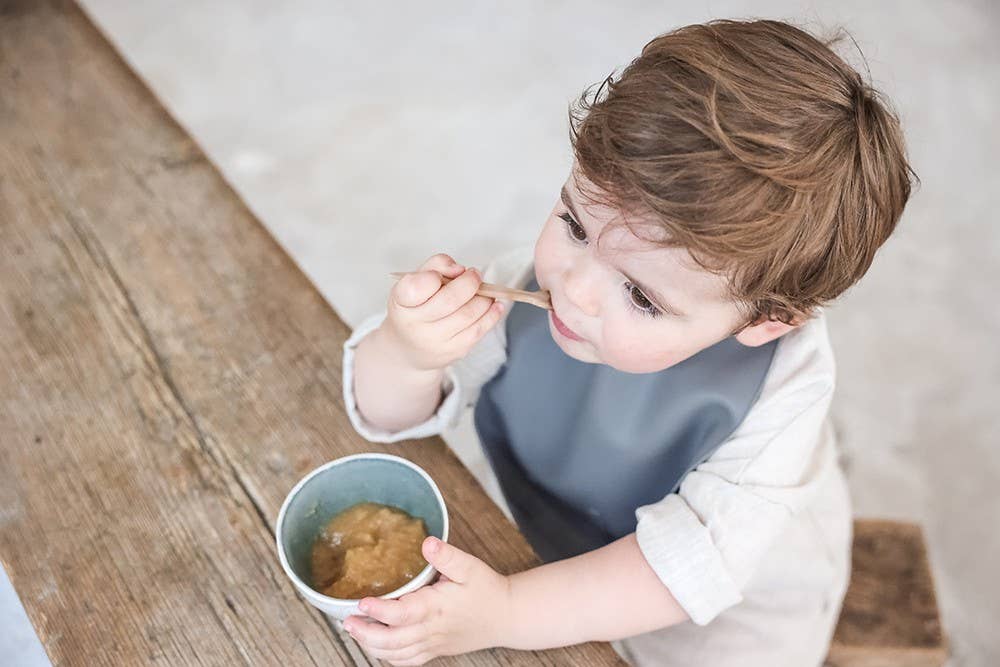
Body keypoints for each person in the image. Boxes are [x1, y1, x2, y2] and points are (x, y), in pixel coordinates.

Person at [339, 18, 915, 667]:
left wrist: (508, 611)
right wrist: (409, 353)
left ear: (768, 321)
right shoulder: (517, 292)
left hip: (712, 610)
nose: (575, 289)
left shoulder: (781, 400)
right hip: (547, 534)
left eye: (640, 296)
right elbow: (388, 415)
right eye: (575, 224)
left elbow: (678, 570)